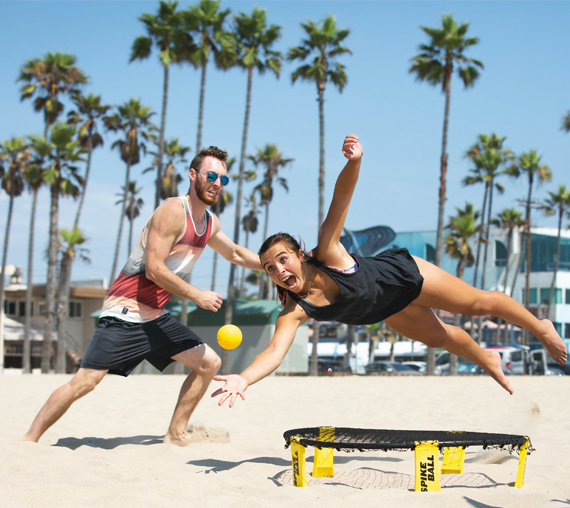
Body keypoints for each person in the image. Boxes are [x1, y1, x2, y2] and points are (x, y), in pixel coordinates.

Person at [212, 134, 568, 407]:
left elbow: (340, 200)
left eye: (282, 259)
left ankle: (541, 327)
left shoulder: (327, 251)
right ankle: (487, 358)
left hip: (401, 275)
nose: (278, 270)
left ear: (300, 255)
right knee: (441, 338)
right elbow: (273, 352)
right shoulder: (293, 311)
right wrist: (244, 379)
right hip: (384, 308)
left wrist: (354, 162)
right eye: (270, 268)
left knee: (477, 304)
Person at [22, 146, 263, 445]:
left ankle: (176, 433)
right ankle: (28, 441)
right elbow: (154, 269)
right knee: (86, 382)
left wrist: (274, 267)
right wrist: (197, 295)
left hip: (154, 316)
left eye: (223, 179)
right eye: (211, 176)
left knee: (208, 363)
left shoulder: (210, 223)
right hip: (126, 309)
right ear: (192, 175)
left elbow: (236, 253)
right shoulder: (173, 211)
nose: (217, 184)